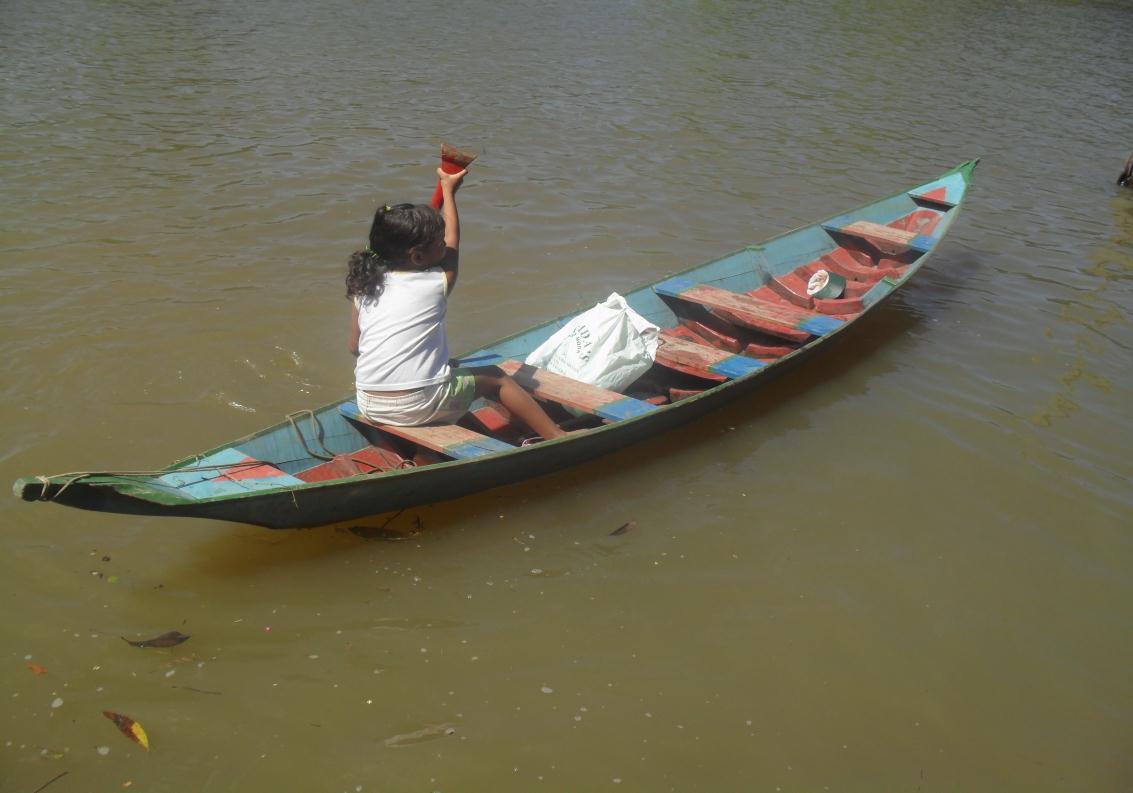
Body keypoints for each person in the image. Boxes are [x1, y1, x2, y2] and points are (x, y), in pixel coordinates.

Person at [345, 168, 566, 440]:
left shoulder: (365, 286)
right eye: (436, 244)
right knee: (496, 377)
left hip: (368, 403)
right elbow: (454, 242)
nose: (443, 247)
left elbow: (354, 347)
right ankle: (557, 435)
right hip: (417, 405)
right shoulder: (433, 283)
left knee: (449, 371)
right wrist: (449, 191)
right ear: (416, 257)